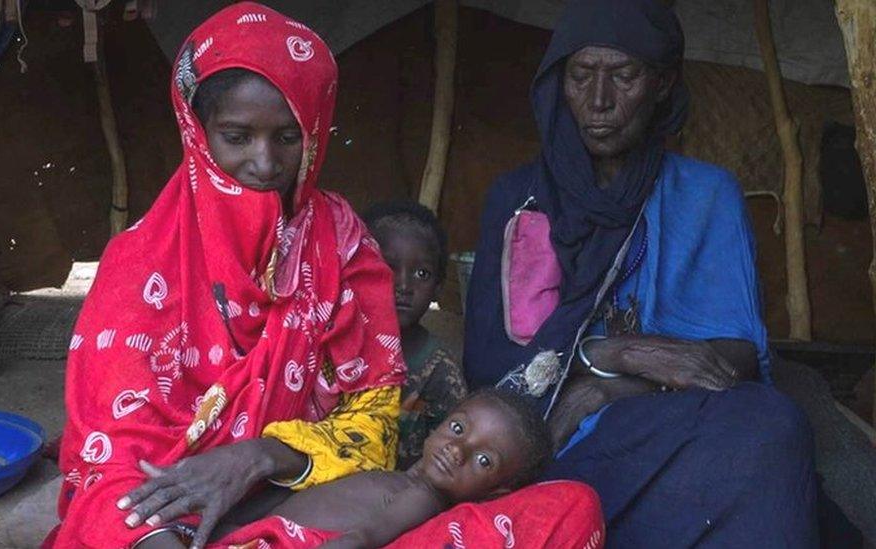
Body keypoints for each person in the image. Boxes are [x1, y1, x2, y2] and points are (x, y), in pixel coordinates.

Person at [47, 4, 407, 548]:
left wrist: (255, 456)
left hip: (291, 479)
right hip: (165, 499)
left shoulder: (340, 241)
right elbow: (115, 456)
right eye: (237, 137)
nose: (264, 164)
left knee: (404, 496)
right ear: (198, 132)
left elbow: (376, 421)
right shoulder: (140, 263)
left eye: (288, 138)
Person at [463, 0, 818, 546]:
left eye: (623, 77)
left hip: (666, 417)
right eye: (581, 76)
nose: (599, 101)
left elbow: (738, 356)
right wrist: (615, 354)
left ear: (661, 84)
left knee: (772, 424)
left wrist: (605, 391)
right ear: (559, 82)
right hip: (551, 430)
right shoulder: (520, 202)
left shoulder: (706, 194)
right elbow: (489, 365)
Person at [214, 389, 604, 549]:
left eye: (484, 461)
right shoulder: (386, 471)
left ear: (496, 493)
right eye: (458, 429)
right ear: (438, 424)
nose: (457, 450)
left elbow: (363, 537)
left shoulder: (422, 498)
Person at [363, 201, 468, 467]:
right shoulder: (333, 343)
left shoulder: (441, 371)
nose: (404, 286)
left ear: (437, 288)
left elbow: (448, 461)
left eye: (422, 273)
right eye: (388, 267)